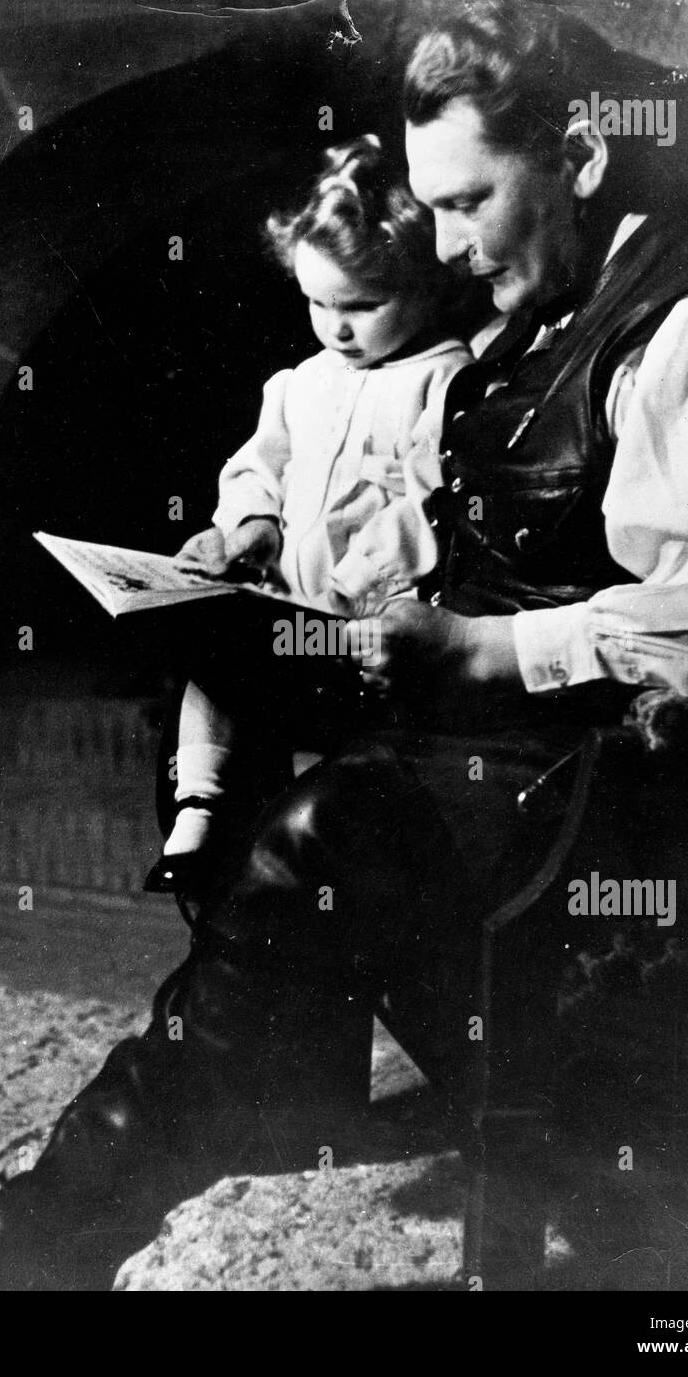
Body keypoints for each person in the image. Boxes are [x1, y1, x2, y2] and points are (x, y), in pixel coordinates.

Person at [0, 0, 688, 1290]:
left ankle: (53, 1235)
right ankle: (132, 1173)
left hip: (639, 814)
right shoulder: (535, 319)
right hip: (519, 764)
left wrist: (474, 655)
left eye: (468, 202)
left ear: (576, 155)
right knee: (278, 794)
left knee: (323, 837)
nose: (450, 248)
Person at [156, 134, 472, 882]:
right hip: (283, 605)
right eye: (316, 302)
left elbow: (434, 504)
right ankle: (197, 802)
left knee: (335, 748)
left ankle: (307, 848)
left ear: (429, 284)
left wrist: (353, 582)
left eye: (361, 306)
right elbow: (258, 467)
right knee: (210, 661)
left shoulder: (445, 379)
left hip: (363, 625)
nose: (335, 327)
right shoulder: (300, 383)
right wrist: (248, 525)